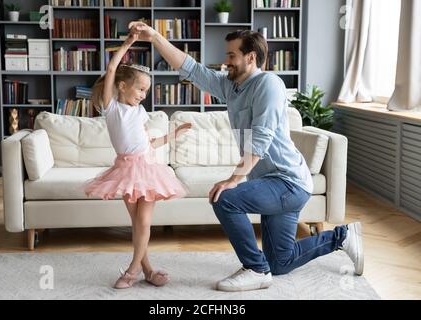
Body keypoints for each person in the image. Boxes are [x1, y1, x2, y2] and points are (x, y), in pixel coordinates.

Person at [129, 22, 364, 292]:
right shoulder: (233, 87)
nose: (225, 61)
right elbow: (191, 68)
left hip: (288, 182)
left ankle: (254, 269)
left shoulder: (269, 84)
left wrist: (233, 179)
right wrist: (155, 37)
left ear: (250, 57)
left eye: (231, 55)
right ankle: (344, 236)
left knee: (225, 197)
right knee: (281, 261)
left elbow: (261, 139)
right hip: (273, 184)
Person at [85, 33, 191, 289]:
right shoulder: (111, 107)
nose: (144, 95)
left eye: (146, 90)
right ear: (122, 86)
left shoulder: (140, 111)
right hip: (125, 170)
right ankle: (149, 271)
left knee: (143, 222)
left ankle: (131, 271)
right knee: (138, 224)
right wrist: (129, 43)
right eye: (140, 89)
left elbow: (147, 143)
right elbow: (112, 67)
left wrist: (172, 135)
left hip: (149, 168)